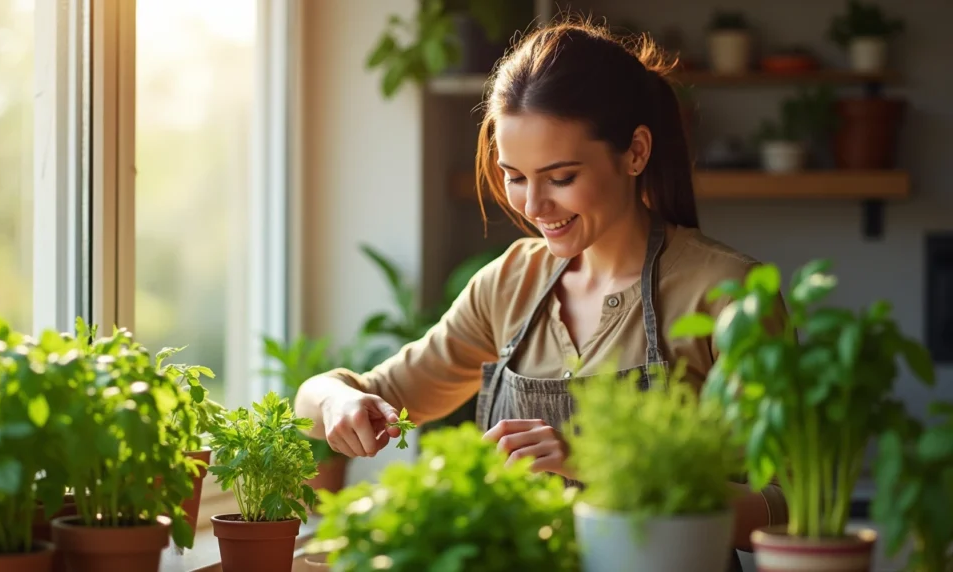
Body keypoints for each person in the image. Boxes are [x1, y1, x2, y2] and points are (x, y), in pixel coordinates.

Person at [294, 18, 787, 564]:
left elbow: (787, 507)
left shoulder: (725, 294)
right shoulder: (510, 282)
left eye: (560, 177)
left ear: (636, 152)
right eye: (515, 175)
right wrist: (339, 400)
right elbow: (329, 397)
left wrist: (597, 462)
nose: (532, 207)